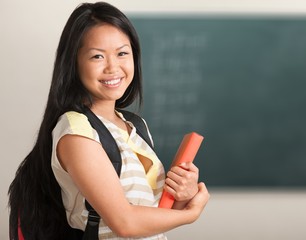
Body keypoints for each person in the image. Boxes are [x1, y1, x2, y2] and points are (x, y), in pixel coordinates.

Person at [8, 2, 209, 240]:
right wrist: (191, 213)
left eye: (122, 53)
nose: (113, 67)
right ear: (74, 64)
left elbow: (152, 218)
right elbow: (125, 223)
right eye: (97, 56)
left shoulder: (136, 127)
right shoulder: (76, 131)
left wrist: (183, 196)